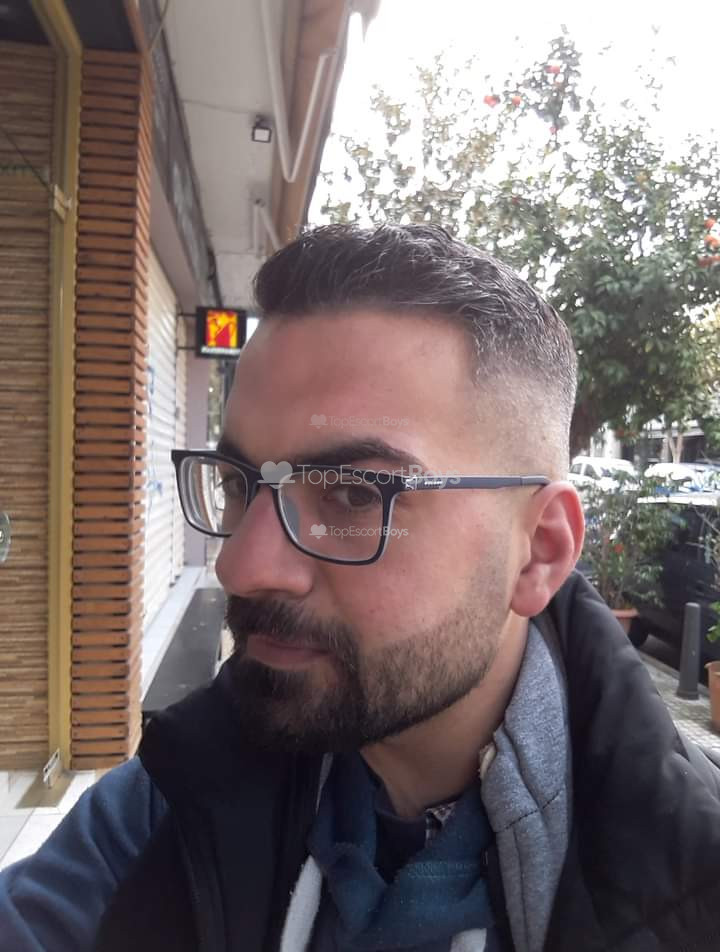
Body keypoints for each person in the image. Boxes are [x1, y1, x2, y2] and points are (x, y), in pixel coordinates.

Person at [2, 224, 720, 952]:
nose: (242, 566)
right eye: (239, 485)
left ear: (539, 551)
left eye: (353, 494)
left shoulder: (693, 883)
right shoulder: (175, 800)